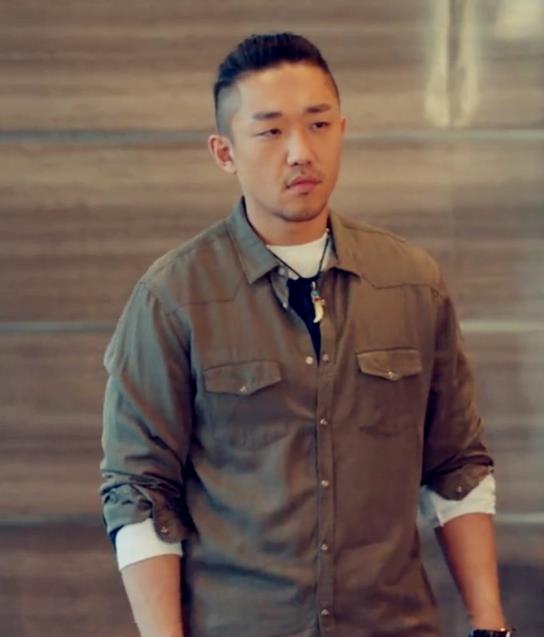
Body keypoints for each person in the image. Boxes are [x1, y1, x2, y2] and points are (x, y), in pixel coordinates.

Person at [100, 32, 513, 637]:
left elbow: (457, 466)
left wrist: (490, 623)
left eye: (318, 125)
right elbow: (139, 491)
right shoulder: (172, 298)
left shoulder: (411, 283)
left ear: (342, 130)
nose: (300, 151)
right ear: (224, 152)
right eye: (270, 131)